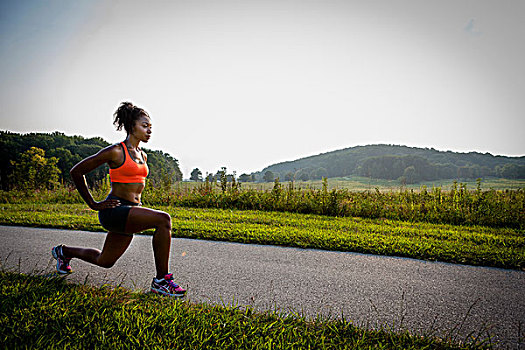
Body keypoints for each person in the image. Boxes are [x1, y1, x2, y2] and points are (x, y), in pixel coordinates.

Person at [51, 101, 186, 297]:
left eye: (151, 127)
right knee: (163, 220)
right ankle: (161, 281)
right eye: (144, 126)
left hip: (129, 211)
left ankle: (64, 252)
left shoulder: (143, 156)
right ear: (132, 126)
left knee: (105, 261)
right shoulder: (116, 151)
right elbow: (77, 171)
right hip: (115, 210)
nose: (149, 131)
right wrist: (93, 203)